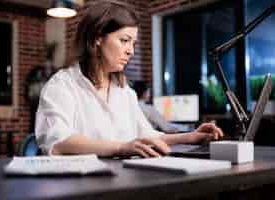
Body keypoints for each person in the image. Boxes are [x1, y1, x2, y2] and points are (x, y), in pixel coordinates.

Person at [35, 0, 223, 158]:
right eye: (124, 40)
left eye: (133, 43)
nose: (131, 51)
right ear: (97, 38)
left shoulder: (124, 91)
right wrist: (121, 147)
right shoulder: (62, 85)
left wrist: (191, 136)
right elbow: (58, 141)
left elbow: (146, 135)